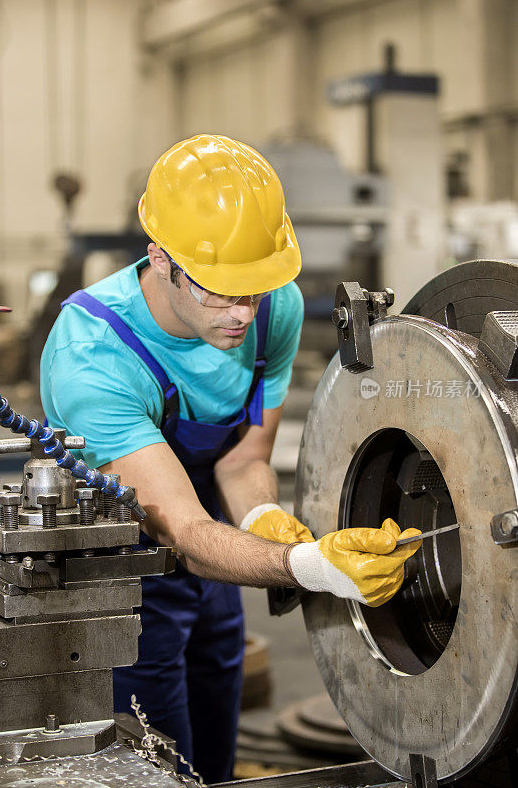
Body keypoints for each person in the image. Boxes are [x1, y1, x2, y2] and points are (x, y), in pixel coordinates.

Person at [41, 134, 420, 783]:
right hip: (116, 549)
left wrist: (262, 521)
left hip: (209, 522)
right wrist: (305, 565)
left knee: (218, 674)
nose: (242, 314)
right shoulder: (93, 358)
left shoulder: (274, 303)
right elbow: (182, 533)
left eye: (254, 290)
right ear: (161, 259)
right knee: (154, 733)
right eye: (220, 291)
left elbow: (243, 460)